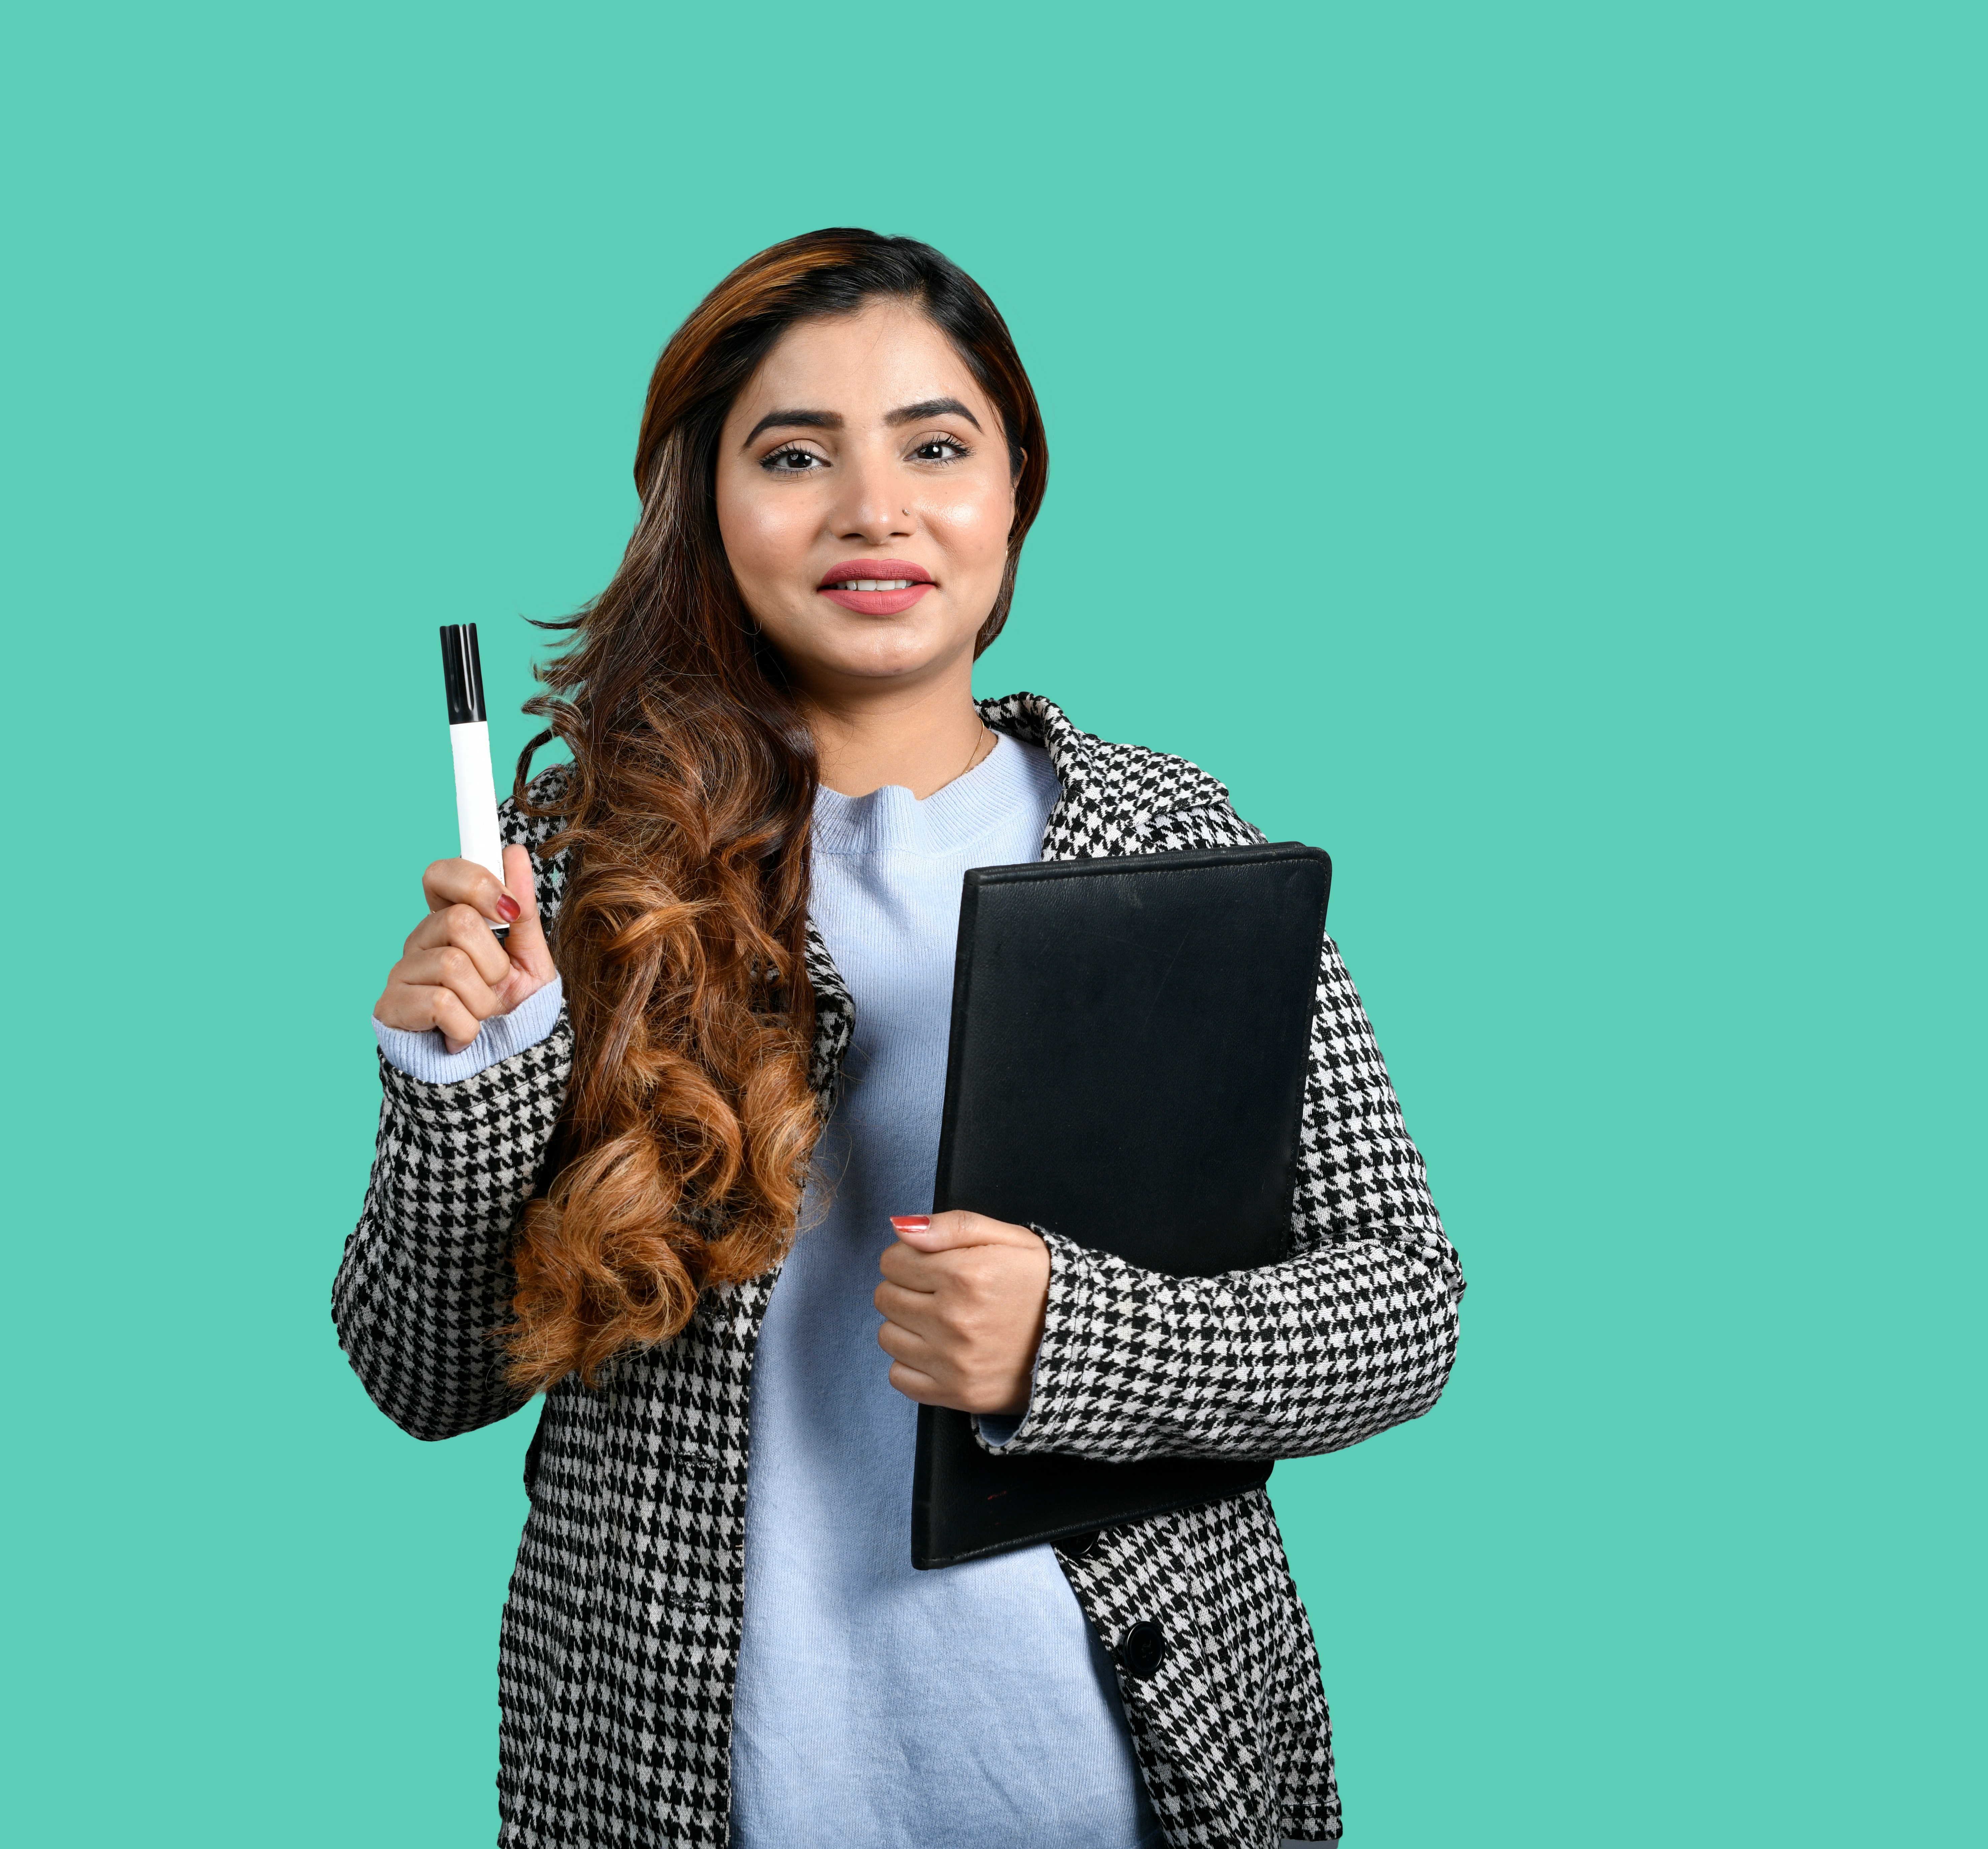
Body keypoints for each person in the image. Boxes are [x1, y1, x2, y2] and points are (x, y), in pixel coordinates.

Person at [333, 228, 1463, 1849]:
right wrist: (465, 1083)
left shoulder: (1172, 841)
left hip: (1118, 1772)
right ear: (709, 509)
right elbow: (421, 1376)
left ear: (1016, 490)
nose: (875, 508)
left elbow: (1401, 1304)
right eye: (796, 455)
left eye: (937, 446)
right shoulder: (584, 861)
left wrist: (1077, 1335)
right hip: (687, 1787)